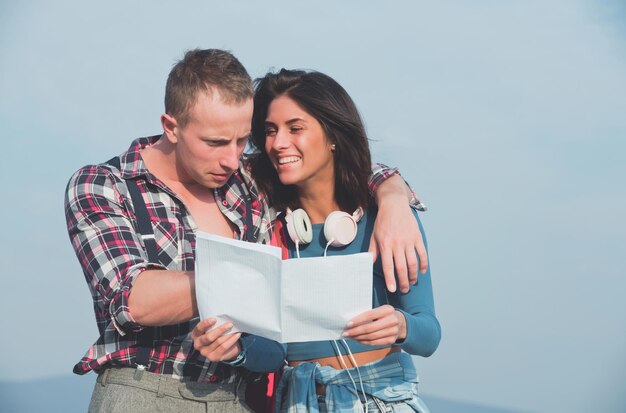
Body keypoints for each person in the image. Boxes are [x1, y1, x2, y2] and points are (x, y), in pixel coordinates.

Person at [65, 49, 428, 412]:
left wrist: (393, 197)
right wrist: (253, 278)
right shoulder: (103, 185)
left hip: (239, 398)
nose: (232, 158)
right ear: (171, 127)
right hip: (143, 393)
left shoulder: (248, 179)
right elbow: (135, 300)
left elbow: (331, 160)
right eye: (216, 142)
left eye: (242, 141)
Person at [248, 69, 441, 412]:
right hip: (299, 401)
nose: (278, 143)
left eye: (296, 128)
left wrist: (400, 325)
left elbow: (429, 333)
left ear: (332, 135)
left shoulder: (387, 218)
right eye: (270, 131)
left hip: (381, 398)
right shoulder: (268, 223)